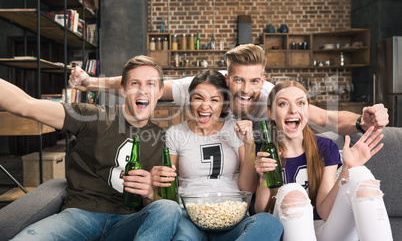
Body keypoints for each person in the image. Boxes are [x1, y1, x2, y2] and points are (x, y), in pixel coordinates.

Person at [1, 56, 182, 240]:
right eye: (135, 83)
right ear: (123, 90)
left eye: (150, 84)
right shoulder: (93, 116)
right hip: (79, 217)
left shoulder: (164, 141)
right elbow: (25, 105)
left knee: (169, 209)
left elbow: (162, 204)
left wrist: (149, 193)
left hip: (128, 222)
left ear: (160, 92)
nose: (142, 90)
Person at [68, 44, 389, 139]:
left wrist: (362, 122)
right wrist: (88, 83)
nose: (245, 90)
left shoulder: (270, 94)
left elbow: (325, 116)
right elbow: (145, 84)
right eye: (238, 80)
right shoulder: (207, 88)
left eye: (253, 81)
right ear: (227, 74)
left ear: (263, 78)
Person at [152, 69, 283, 240]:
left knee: (269, 223)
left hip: (232, 216)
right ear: (189, 99)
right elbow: (169, 185)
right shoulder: (175, 133)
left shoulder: (235, 129)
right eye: (198, 98)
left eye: (214, 100)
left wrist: (249, 143)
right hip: (190, 216)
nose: (205, 106)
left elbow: (247, 189)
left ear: (225, 104)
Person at [253, 80, 392, 241]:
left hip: (325, 229)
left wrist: (348, 167)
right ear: (271, 112)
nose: (293, 110)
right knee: (293, 192)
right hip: (287, 229)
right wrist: (263, 178)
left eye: (300, 103)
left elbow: (324, 211)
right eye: (283, 104)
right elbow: (262, 213)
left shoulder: (325, 147)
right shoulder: (263, 151)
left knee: (360, 173)